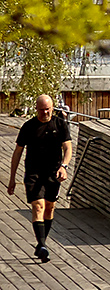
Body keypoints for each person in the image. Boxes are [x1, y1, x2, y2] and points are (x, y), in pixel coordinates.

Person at [11, 95, 71, 261]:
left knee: (50, 207)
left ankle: (41, 243)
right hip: (33, 172)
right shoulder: (28, 127)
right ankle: (43, 245)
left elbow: (68, 148)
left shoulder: (60, 124)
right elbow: (17, 152)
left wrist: (64, 166)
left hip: (53, 172)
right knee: (38, 206)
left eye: (48, 109)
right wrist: (12, 179)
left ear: (52, 108)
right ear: (36, 109)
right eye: (42, 109)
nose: (45, 112)